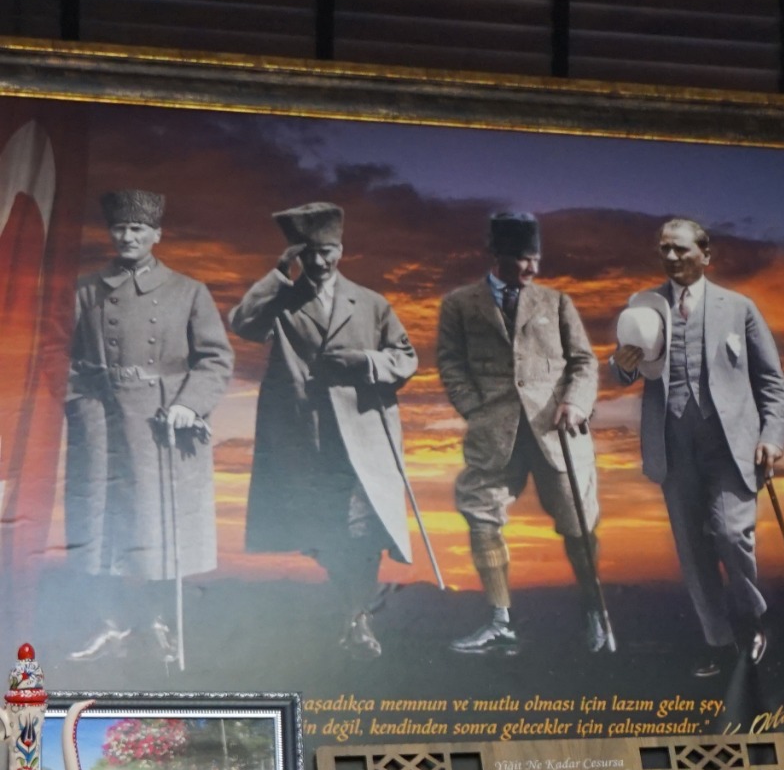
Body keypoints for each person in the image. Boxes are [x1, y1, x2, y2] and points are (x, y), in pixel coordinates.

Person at [230, 202, 418, 659]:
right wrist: (278, 272)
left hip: (362, 435)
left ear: (341, 249)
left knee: (362, 527)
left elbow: (406, 357)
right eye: (308, 253)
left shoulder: (371, 303)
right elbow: (243, 323)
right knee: (325, 529)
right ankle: (354, 615)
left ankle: (357, 617)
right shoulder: (282, 300)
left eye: (327, 251)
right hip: (303, 433)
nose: (318, 261)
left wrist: (366, 362)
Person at [608, 219, 784, 678]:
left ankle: (753, 621)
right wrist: (621, 364)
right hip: (672, 444)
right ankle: (719, 642)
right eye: (664, 249)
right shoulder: (644, 307)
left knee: (731, 535)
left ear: (706, 254)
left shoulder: (739, 307)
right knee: (692, 548)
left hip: (730, 445)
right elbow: (625, 371)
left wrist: (771, 436)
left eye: (681, 249)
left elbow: (771, 381)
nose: (671, 257)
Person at [62, 189, 232, 665]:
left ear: (157, 234)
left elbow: (215, 359)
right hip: (102, 422)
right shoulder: (85, 291)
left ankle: (158, 625)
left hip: (162, 425)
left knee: (160, 527)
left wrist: (189, 405)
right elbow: (62, 358)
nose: (127, 236)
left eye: (137, 228)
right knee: (99, 524)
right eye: (119, 228)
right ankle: (110, 627)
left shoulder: (188, 291)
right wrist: (80, 405)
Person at [437, 211, 609, 657]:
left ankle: (595, 611)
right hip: (494, 434)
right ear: (497, 255)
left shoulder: (556, 302)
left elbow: (584, 362)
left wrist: (575, 402)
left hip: (556, 434)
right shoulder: (460, 304)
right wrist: (474, 408)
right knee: (482, 515)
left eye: (536, 258)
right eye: (522, 258)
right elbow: (451, 362)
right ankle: (500, 623)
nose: (532, 267)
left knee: (578, 525)